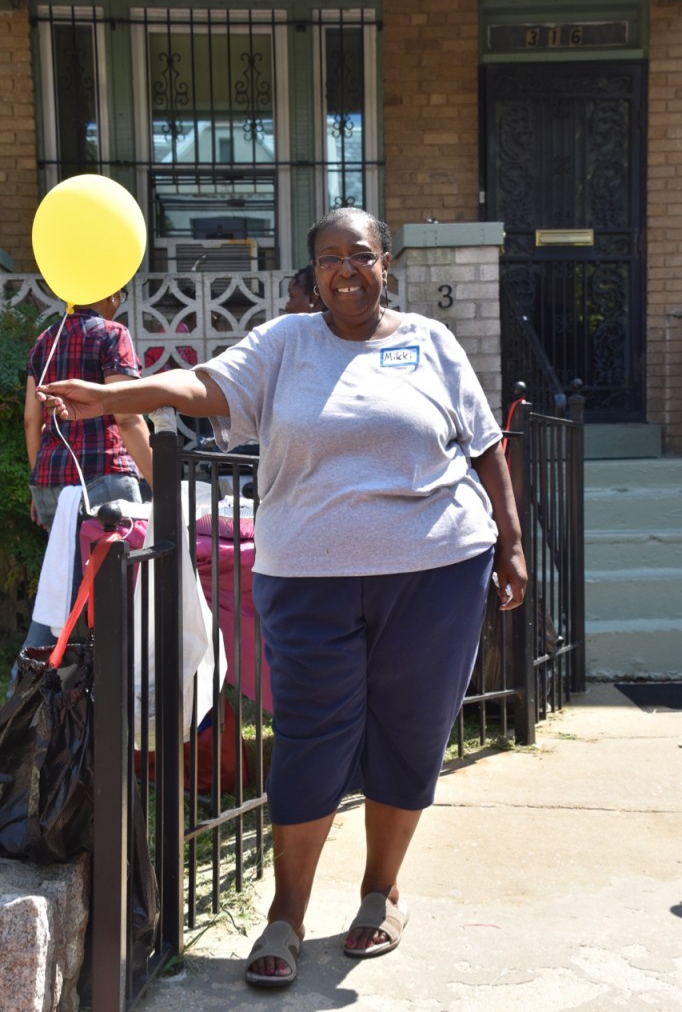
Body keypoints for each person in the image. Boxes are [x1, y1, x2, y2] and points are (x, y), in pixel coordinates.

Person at [38, 208, 527, 988]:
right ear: (314, 274)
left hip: (437, 571)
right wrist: (121, 395)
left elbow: (484, 442)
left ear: (385, 263)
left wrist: (510, 541)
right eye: (330, 258)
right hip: (306, 577)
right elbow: (203, 385)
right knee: (311, 736)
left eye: (360, 255)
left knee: (410, 732)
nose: (347, 270)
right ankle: (287, 913)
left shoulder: (428, 343)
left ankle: (380, 892)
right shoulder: (283, 343)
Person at [18, 288, 153, 662]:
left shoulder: (46, 338)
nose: (119, 302)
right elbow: (126, 416)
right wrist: (160, 481)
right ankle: (34, 697)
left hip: (51, 482)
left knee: (62, 601)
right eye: (121, 295)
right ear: (108, 292)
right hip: (103, 479)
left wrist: (38, 485)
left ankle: (50, 696)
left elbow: (32, 418)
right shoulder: (112, 334)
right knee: (118, 609)